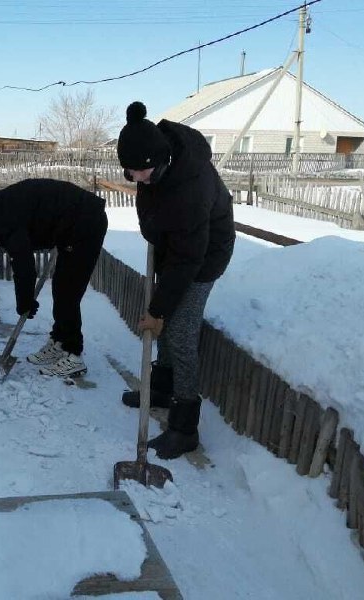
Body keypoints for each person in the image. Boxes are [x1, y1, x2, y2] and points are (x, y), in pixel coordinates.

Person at [117, 101, 235, 460]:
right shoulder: (155, 166)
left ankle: (185, 427)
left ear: (160, 160)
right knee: (168, 323)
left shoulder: (191, 186)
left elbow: (188, 259)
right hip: (177, 245)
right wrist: (153, 228)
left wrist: (157, 310)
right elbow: (149, 207)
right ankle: (163, 389)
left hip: (203, 257)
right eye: (130, 172)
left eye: (140, 172)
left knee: (180, 331)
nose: (136, 179)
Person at [0, 178, 108, 379]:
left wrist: (24, 301)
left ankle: (73, 354)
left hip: (85, 222)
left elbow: (24, 265)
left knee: (68, 291)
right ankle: (60, 341)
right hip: (69, 224)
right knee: (61, 288)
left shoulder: (3, 222)